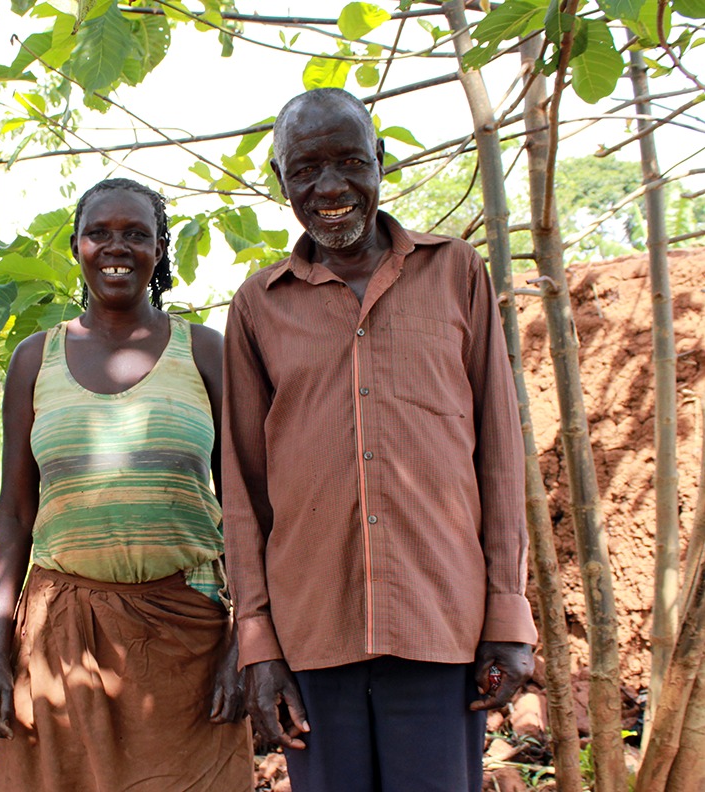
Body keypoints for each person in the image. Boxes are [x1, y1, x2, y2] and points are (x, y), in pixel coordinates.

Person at [222, 88, 538, 792]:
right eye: (305, 169)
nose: (329, 188)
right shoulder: (257, 306)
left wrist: (508, 612)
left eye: (348, 162)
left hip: (440, 622)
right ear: (280, 182)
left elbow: (498, 456)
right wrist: (257, 641)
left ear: (380, 163)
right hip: (313, 632)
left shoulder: (456, 272)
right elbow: (243, 491)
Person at [0, 178, 253, 791]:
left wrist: (245, 645)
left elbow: (245, 508)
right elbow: (16, 513)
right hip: (62, 639)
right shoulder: (34, 358)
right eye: (99, 233)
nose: (116, 247)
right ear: (76, 245)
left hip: (187, 642)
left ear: (160, 249)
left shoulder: (204, 351)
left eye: (135, 234)